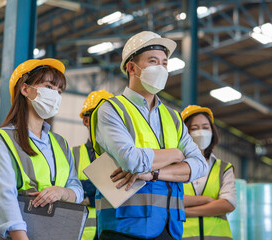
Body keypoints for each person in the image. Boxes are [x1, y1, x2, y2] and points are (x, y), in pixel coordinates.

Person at [90, 31, 208, 240]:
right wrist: (175, 154)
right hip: (124, 226)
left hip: (169, 226)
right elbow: (131, 160)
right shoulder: (111, 109)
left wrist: (153, 173)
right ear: (131, 67)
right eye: (153, 61)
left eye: (164, 63)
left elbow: (200, 165)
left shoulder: (173, 117)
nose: (161, 68)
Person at [0, 58, 84, 240]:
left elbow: (77, 189)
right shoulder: (3, 140)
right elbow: (5, 197)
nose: (56, 96)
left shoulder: (60, 143)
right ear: (25, 89)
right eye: (49, 87)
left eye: (59, 91)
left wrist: (62, 192)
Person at [181, 105, 237, 240]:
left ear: (212, 131)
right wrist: (206, 200)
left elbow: (228, 203)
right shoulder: (174, 167)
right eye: (194, 128)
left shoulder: (224, 168)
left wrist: (186, 211)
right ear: (184, 133)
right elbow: (171, 200)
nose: (201, 132)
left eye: (206, 127)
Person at [71, 90, 114, 240]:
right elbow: (66, 193)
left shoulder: (123, 157)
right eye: (100, 115)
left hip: (113, 232)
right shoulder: (72, 154)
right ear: (86, 120)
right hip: (81, 234)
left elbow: (125, 193)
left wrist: (87, 194)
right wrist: (104, 189)